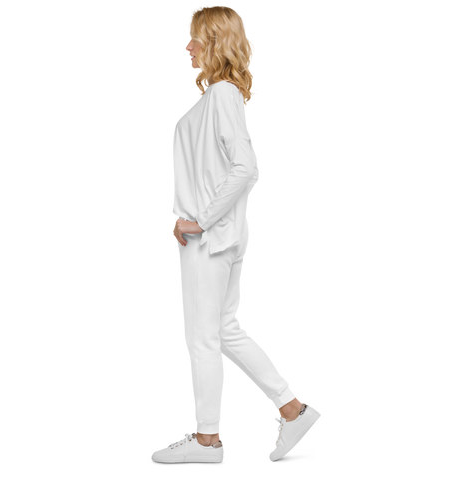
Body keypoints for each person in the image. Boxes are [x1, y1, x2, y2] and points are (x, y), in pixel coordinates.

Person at [151, 3, 323, 466]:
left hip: (209, 241)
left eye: (193, 37)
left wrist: (199, 221)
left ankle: (208, 440)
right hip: (217, 237)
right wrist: (189, 218)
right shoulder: (215, 98)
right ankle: (294, 410)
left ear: (214, 42)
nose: (185, 47)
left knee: (202, 337)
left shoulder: (222, 96)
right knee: (225, 329)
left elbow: (248, 168)